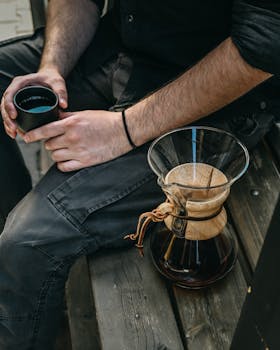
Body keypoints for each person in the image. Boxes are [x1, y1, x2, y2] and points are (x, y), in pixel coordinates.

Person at [0, 0, 279, 348]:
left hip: (207, 110)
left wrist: (122, 131)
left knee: (26, 242)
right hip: (116, 51)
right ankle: (21, 301)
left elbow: (264, 43)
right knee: (14, 253)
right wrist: (52, 67)